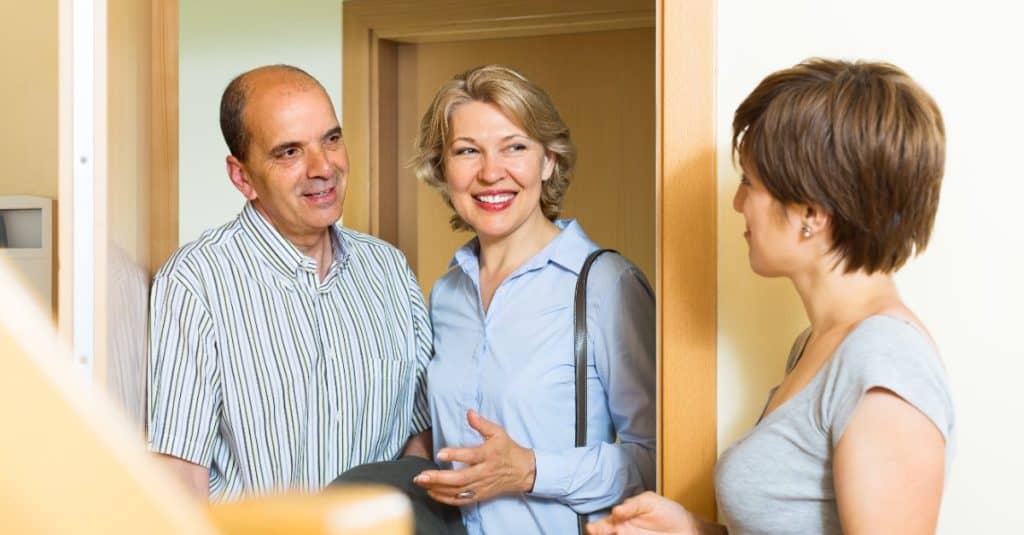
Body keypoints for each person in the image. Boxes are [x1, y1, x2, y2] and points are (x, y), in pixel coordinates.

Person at [589, 58, 954, 535]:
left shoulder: (884, 365)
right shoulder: (815, 345)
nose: (738, 203)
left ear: (811, 212)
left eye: (749, 183)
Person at [147, 64, 432, 501]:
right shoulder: (196, 284)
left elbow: (422, 432)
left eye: (331, 139)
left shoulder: (389, 270)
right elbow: (180, 479)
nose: (323, 168)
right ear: (242, 177)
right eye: (289, 152)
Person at [408, 65, 656, 534]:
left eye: (514, 147)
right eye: (467, 151)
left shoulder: (605, 285)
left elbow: (660, 458)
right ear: (442, 170)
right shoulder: (447, 294)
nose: (491, 173)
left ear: (549, 161)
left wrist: (530, 470)